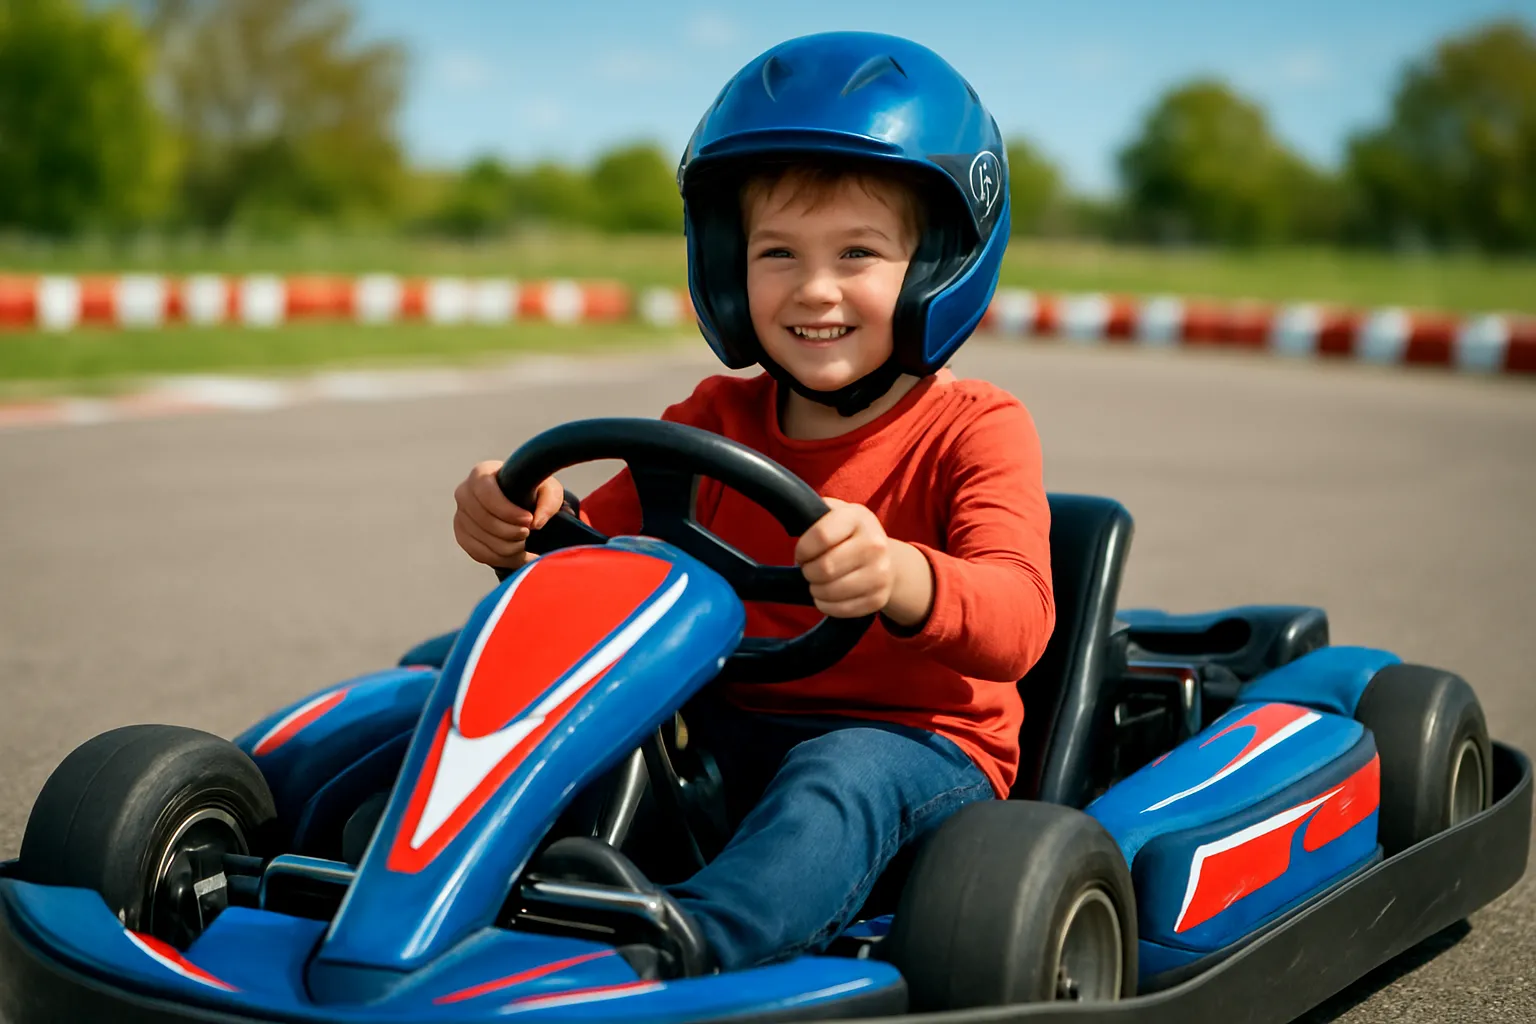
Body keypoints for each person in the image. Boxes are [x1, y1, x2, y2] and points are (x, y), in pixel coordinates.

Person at [451, 32, 1055, 972]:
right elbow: (596, 571)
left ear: (938, 262)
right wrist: (522, 525)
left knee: (835, 778)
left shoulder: (977, 428)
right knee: (505, 692)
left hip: (916, 751)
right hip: (725, 725)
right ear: (730, 263)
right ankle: (368, 871)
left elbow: (1020, 619)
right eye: (778, 252)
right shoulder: (710, 417)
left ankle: (677, 956)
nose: (814, 288)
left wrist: (899, 574)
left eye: (857, 252)